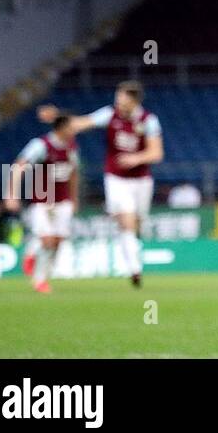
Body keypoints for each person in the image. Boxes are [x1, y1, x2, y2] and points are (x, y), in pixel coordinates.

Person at [37, 80, 163, 288]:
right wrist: (57, 117)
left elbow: (156, 153)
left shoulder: (148, 121)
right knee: (126, 220)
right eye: (117, 99)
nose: (118, 103)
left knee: (136, 223)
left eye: (122, 100)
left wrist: (136, 159)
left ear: (134, 101)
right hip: (116, 178)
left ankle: (132, 254)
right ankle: (135, 269)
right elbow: (81, 123)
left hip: (141, 180)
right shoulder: (109, 114)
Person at [5, 113, 80, 294]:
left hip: (63, 201)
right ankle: (40, 280)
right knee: (47, 240)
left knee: (58, 241)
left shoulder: (71, 147)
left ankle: (34, 256)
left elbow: (73, 173)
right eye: (71, 127)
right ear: (61, 128)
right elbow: (19, 166)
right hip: (42, 200)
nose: (74, 131)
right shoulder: (40, 145)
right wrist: (11, 195)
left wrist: (74, 198)